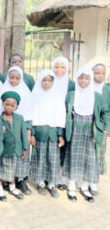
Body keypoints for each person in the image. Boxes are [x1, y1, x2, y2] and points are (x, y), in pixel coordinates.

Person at [63, 68, 106, 203]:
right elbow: (66, 111)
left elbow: (105, 112)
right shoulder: (71, 94)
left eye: (86, 78)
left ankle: (84, 187)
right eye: (81, 78)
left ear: (91, 79)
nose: (83, 81)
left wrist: (104, 128)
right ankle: (71, 186)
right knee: (73, 158)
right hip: (75, 130)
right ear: (76, 79)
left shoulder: (97, 96)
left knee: (89, 159)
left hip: (90, 131)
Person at [30, 70, 65, 198]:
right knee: (40, 158)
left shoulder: (57, 96)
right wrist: (32, 134)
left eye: (49, 80)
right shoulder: (35, 95)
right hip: (40, 133)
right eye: (44, 80)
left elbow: (61, 116)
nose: (46, 83)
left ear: (53, 82)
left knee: (53, 159)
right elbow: (31, 115)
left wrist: (60, 134)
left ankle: (51, 184)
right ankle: (40, 183)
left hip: (53, 134)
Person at [0, 66, 33, 195]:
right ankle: (1, 184)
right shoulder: (2, 90)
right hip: (5, 141)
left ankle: (20, 181)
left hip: (19, 135)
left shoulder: (25, 92)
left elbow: (29, 115)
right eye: (11, 77)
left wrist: (28, 135)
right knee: (4, 164)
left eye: (17, 78)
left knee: (19, 162)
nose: (14, 80)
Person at [0, 91, 29, 201]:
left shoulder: (19, 118)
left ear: (16, 107)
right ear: (2, 104)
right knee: (2, 169)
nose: (9, 107)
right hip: (4, 151)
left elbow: (23, 134)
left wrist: (25, 148)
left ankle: (12, 187)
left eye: (12, 105)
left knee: (13, 169)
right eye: (7, 104)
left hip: (16, 150)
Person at [51, 56, 75, 191]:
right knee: (52, 149)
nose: (59, 70)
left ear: (67, 69)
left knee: (64, 149)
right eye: (56, 66)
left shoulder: (72, 84)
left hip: (67, 121)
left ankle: (61, 178)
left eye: (62, 67)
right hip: (51, 120)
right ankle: (51, 176)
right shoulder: (49, 81)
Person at [91, 63, 110, 195]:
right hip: (87, 125)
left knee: (98, 155)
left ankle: (94, 183)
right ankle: (84, 181)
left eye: (103, 73)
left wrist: (106, 127)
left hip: (101, 127)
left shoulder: (107, 89)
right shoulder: (86, 86)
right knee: (88, 154)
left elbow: (108, 110)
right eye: (97, 73)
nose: (100, 76)